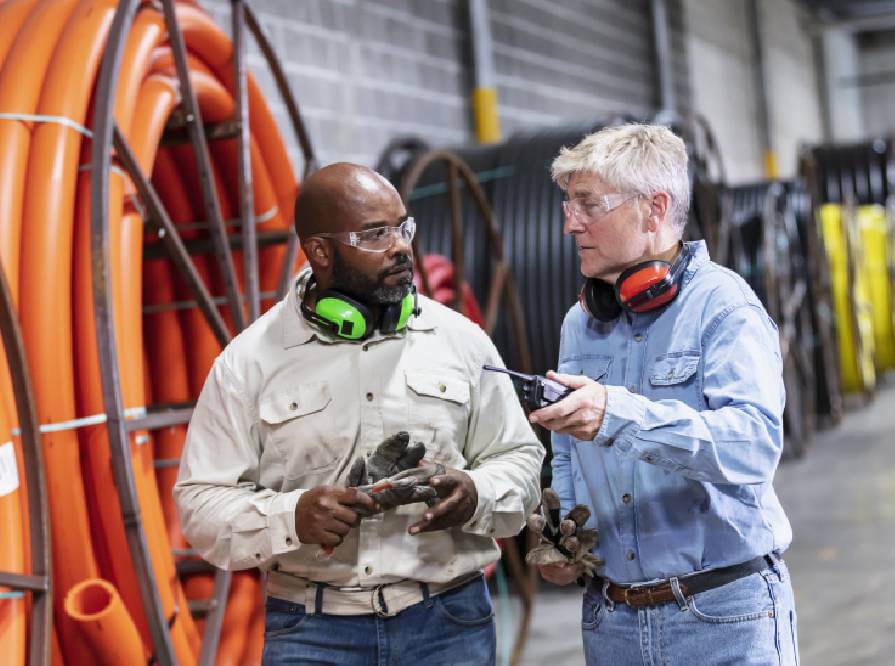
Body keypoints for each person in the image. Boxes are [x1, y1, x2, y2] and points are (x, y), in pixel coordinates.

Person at [174, 163, 543, 665]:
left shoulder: (461, 342)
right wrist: (293, 517)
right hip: (311, 631)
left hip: (448, 624)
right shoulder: (249, 363)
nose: (400, 246)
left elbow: (519, 456)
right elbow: (200, 506)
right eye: (375, 234)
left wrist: (477, 492)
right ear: (320, 251)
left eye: (402, 227)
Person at [529, 124, 799, 665]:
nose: (569, 223)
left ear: (653, 210)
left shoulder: (723, 308)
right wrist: (563, 540)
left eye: (587, 204)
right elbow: (566, 455)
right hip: (612, 621)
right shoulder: (580, 324)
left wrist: (617, 415)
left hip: (721, 616)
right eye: (567, 204)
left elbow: (752, 445)